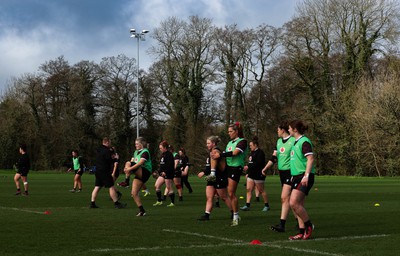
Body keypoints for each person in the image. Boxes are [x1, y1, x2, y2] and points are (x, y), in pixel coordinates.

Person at [211, 122, 248, 226]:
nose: (229, 133)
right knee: (214, 154)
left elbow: (235, 153)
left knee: (231, 193)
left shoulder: (242, 141)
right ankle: (212, 173)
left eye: (231, 131)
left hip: (235, 168)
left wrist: (220, 155)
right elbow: (225, 155)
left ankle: (235, 216)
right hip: (227, 167)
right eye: (228, 132)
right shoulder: (230, 143)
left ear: (236, 132)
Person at [263, 121, 296, 233]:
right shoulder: (278, 142)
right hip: (282, 173)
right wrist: (266, 168)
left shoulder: (293, 141)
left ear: (283, 130)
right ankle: (302, 222)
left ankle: (282, 225)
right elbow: (274, 157)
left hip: (290, 172)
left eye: (278, 129)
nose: (277, 131)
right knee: (291, 201)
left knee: (284, 198)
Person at [287, 120, 315, 240]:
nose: (288, 130)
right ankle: (301, 231)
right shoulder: (295, 142)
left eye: (289, 128)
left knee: (293, 203)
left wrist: (306, 175)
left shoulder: (304, 142)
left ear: (295, 129)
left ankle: (309, 226)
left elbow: (310, 159)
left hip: (303, 176)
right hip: (296, 177)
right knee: (298, 205)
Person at [198, 136, 232, 221]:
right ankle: (206, 215)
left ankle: (233, 212)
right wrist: (205, 172)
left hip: (219, 177)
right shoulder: (211, 152)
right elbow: (209, 166)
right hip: (212, 177)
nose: (207, 145)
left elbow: (218, 166)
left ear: (213, 143)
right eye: (207, 143)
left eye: (208, 143)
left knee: (224, 197)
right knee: (209, 197)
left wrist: (207, 173)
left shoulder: (216, 151)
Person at [89, 137, 126, 209]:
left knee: (97, 187)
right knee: (111, 186)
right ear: (107, 142)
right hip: (105, 171)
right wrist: (116, 158)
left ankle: (92, 203)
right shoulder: (107, 151)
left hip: (98, 171)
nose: (110, 144)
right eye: (110, 142)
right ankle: (117, 204)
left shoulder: (99, 149)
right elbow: (110, 161)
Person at [123, 137, 152, 216]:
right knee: (134, 193)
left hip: (145, 172)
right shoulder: (136, 152)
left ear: (141, 144)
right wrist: (127, 169)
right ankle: (142, 211)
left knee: (129, 163)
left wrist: (129, 169)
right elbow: (132, 161)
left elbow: (140, 163)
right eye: (135, 144)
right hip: (139, 172)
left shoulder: (145, 152)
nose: (135, 145)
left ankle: (126, 181)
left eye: (137, 144)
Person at [240, 137, 270, 212]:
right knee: (249, 189)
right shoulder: (252, 152)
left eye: (251, 145)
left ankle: (266, 205)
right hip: (251, 174)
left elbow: (258, 164)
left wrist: (248, 166)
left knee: (261, 190)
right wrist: (248, 172)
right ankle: (247, 205)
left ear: (255, 145)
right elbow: (250, 163)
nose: (250, 147)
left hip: (258, 174)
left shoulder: (260, 153)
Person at [153, 140, 176, 207]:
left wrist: (165, 172)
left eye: (161, 148)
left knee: (169, 187)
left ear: (165, 147)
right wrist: (158, 171)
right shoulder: (162, 155)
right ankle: (159, 201)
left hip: (168, 173)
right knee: (157, 185)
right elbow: (161, 165)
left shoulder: (169, 155)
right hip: (162, 174)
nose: (160, 149)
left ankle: (172, 203)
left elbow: (170, 165)